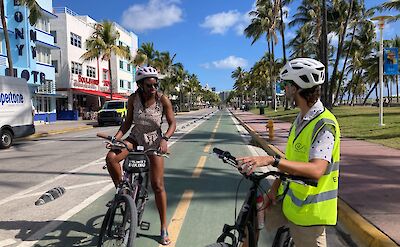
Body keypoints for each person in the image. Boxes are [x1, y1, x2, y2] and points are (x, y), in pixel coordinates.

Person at [238, 58, 340, 247]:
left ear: (296, 88)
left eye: (286, 84)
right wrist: (273, 190)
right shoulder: (300, 120)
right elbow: (290, 161)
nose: (283, 89)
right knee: (252, 218)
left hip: (310, 214)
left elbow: (316, 170)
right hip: (288, 201)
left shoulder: (324, 124)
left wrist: (271, 160)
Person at [105, 66, 176, 245]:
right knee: (111, 157)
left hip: (154, 140)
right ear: (140, 85)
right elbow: (127, 122)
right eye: (149, 85)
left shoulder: (163, 100)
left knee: (158, 185)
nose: (153, 88)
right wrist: (117, 139)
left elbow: (172, 123)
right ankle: (124, 193)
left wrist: (165, 139)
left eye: (155, 84)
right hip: (136, 137)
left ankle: (163, 227)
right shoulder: (133, 99)